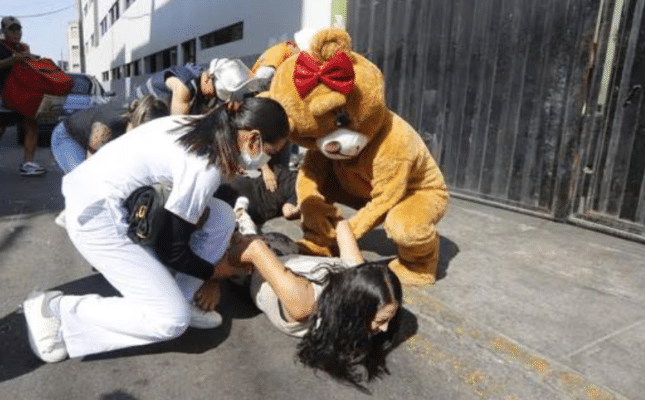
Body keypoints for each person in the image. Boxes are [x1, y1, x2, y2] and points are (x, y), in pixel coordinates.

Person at [22, 96, 291, 363]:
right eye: (272, 150)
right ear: (253, 139)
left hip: (111, 199)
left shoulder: (205, 127)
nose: (269, 158)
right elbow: (172, 250)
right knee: (171, 321)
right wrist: (217, 272)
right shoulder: (203, 166)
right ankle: (56, 311)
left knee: (222, 216)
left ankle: (182, 296)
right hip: (97, 218)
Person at [229, 218, 403, 388]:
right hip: (251, 266)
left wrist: (325, 214)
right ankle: (240, 215)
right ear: (354, 310)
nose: (385, 328)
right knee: (233, 238)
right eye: (380, 321)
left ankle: (243, 219)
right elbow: (255, 249)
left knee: (246, 232)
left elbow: (341, 224)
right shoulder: (304, 304)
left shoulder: (355, 276)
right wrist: (210, 278)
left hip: (287, 248)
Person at [0, 16, 45, 177]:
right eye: (11, 29)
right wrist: (13, 59)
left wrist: (32, 60)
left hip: (22, 95)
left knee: (31, 125)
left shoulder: (24, 47)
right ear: (4, 31)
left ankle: (28, 164)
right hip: (2, 95)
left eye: (18, 29)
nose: (16, 33)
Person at [50, 95, 169, 174]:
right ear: (135, 122)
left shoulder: (140, 128)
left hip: (95, 138)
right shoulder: (106, 127)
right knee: (85, 179)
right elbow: (92, 164)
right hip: (67, 137)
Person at [142, 58, 265, 115]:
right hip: (135, 114)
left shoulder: (208, 92)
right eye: (216, 93)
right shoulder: (184, 85)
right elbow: (178, 128)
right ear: (207, 78)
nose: (216, 98)